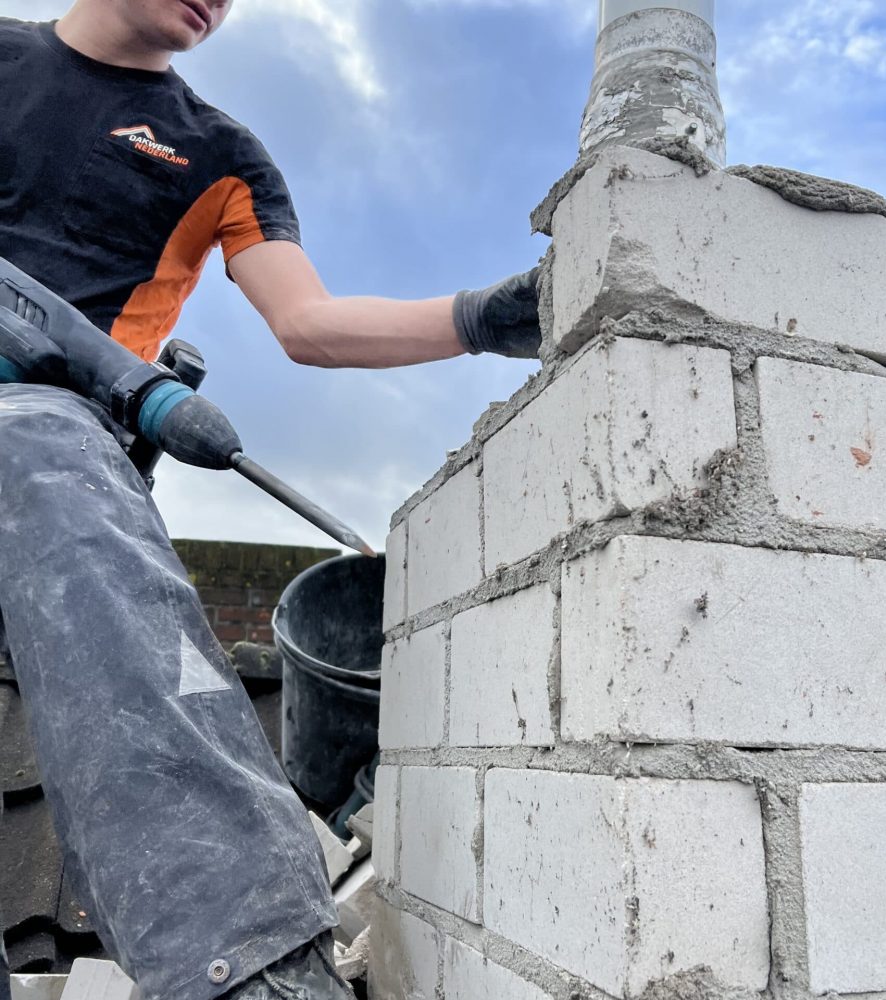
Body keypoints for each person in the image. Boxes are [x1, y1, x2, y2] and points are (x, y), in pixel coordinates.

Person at [0, 2, 541, 998]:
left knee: (34, 445)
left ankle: (253, 964)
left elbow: (310, 320)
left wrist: (479, 319)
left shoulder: (219, 155)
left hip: (56, 437)